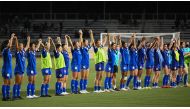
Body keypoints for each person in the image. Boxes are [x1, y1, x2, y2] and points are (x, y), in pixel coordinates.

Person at [12, 34, 30, 100]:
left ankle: (18, 95)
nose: (22, 47)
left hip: (22, 70)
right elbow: (16, 47)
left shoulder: (23, 52)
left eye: (22, 46)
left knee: (20, 83)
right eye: (20, 46)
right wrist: (16, 39)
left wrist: (28, 40)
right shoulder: (17, 52)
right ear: (19, 47)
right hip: (18, 70)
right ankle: (14, 95)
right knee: (16, 83)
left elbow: (27, 46)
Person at [1, 33, 15, 101]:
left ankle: (7, 95)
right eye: (9, 43)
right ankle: (4, 97)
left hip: (9, 69)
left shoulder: (8, 51)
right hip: (6, 69)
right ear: (7, 44)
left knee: (9, 82)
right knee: (5, 82)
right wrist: (11, 37)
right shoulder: (5, 50)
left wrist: (11, 40)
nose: (10, 44)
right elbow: (9, 46)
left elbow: (10, 46)